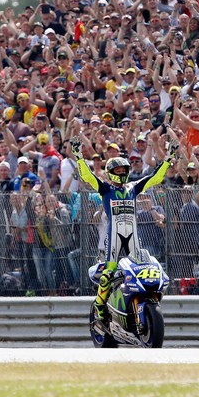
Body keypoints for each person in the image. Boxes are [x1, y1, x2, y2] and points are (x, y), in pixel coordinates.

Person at [71, 137, 178, 323]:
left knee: (141, 268)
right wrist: (79, 156)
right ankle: (99, 304)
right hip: (114, 235)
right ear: (110, 172)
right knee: (109, 273)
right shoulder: (105, 188)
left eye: (124, 170)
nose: (121, 173)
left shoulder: (133, 188)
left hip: (132, 234)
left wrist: (169, 158)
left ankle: (134, 303)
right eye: (117, 170)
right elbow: (87, 177)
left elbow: (155, 178)